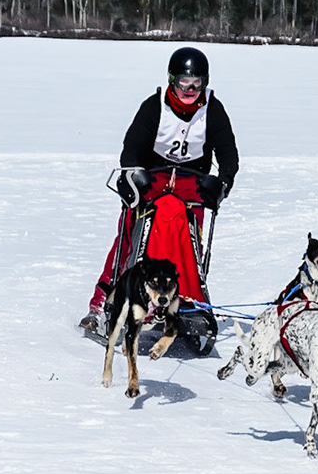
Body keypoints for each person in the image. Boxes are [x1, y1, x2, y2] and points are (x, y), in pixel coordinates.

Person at [82, 47, 239, 331]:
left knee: (190, 238)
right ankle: (106, 297)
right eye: (183, 83)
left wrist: (223, 183)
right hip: (153, 179)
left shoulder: (212, 110)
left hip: (192, 184)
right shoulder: (154, 106)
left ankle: (189, 299)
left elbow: (229, 155)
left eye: (196, 84)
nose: (190, 90)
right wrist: (133, 175)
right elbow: (131, 149)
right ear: (172, 81)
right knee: (130, 233)